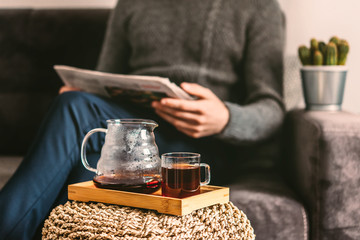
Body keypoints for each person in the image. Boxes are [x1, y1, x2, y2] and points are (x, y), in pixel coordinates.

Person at [0, 0, 285, 239]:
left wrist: (226, 118)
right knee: (77, 117)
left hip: (199, 147)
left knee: (79, 149)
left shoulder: (258, 7)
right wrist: (86, 90)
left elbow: (272, 109)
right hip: (134, 130)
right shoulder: (132, 3)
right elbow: (106, 77)